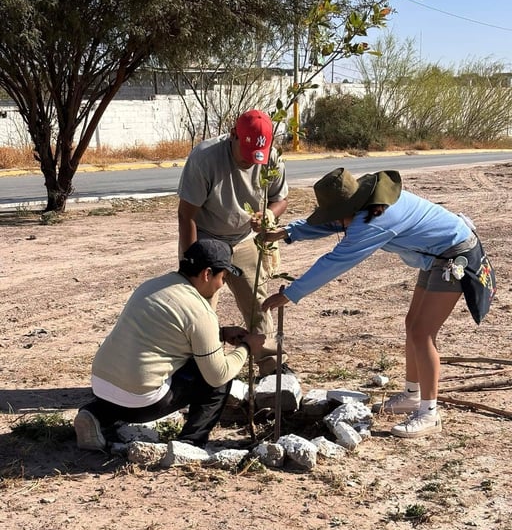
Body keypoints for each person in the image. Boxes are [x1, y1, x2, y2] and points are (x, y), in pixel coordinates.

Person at [261, 166, 488, 438]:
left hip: (455, 254)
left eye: (337, 215)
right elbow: (331, 223)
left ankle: (429, 413)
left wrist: (290, 293)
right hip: (435, 255)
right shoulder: (366, 204)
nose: (337, 222)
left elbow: (335, 262)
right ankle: (412, 395)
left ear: (351, 207)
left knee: (423, 332)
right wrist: (287, 232)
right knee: (412, 325)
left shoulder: (374, 222)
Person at [74, 240, 265, 451]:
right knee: (219, 376)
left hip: (101, 385)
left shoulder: (153, 285)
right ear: (207, 274)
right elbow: (218, 374)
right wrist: (246, 347)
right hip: (142, 403)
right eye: (223, 278)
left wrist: (220, 334)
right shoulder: (200, 311)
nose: (222, 285)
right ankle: (190, 443)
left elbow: (168, 333)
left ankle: (94, 414)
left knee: (128, 387)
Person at [177, 109, 290, 377]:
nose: (251, 162)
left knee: (259, 302)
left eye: (257, 157)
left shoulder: (272, 158)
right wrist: (194, 261)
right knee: (200, 308)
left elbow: (280, 199)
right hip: (206, 237)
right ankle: (200, 372)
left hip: (245, 239)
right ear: (233, 136)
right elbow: (186, 215)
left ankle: (271, 368)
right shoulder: (205, 158)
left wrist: (269, 215)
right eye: (246, 154)